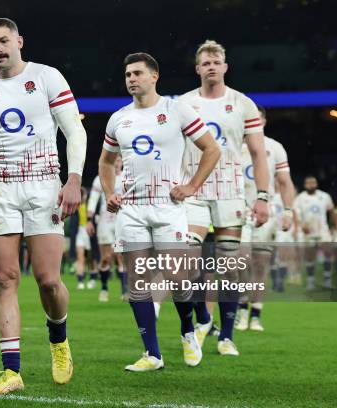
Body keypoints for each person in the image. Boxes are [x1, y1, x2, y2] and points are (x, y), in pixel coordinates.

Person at [0, 18, 86, 395]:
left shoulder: (47, 77)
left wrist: (75, 179)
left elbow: (74, 130)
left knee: (49, 281)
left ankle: (59, 340)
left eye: (3, 41)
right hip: (0, 189)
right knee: (4, 279)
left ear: (19, 41)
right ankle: (11, 371)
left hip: (44, 185)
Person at [99, 52, 219, 371]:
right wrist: (111, 193)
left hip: (169, 206)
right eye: (127, 75)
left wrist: (192, 186)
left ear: (155, 76)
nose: (131, 79)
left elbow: (212, 148)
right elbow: (106, 162)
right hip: (132, 210)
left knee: (178, 278)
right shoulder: (118, 118)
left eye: (137, 73)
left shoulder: (176, 109)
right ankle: (152, 354)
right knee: (137, 283)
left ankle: (188, 330)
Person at [179, 40, 270, 356]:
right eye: (206, 62)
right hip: (194, 190)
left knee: (229, 268)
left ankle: (226, 336)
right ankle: (204, 319)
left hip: (230, 191)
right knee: (189, 262)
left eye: (217, 61)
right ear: (198, 69)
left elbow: (258, 153)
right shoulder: (184, 103)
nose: (212, 66)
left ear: (225, 67)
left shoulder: (243, 103)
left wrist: (262, 197)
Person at [237, 106, 296, 331]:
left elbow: (284, 181)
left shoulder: (274, 147)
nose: (253, 123)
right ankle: (242, 310)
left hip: (266, 212)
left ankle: (255, 314)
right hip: (239, 212)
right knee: (241, 261)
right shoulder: (234, 147)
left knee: (260, 266)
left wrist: (288, 211)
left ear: (264, 121)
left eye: (257, 119)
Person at [87, 157, 127, 301]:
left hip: (122, 220)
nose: (116, 164)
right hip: (104, 221)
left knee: (122, 257)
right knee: (106, 258)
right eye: (114, 160)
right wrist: (89, 220)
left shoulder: (126, 177)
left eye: (119, 160)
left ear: (122, 162)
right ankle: (104, 288)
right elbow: (93, 199)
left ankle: (125, 291)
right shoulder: (100, 178)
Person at [293, 175, 337, 289]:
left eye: (313, 182)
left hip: (323, 231)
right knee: (310, 257)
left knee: (328, 255)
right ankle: (310, 282)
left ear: (316, 184)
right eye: (308, 183)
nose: (311, 184)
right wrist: (300, 226)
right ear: (305, 185)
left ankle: (327, 281)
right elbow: (295, 215)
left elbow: (332, 211)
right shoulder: (300, 198)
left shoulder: (324, 196)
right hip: (308, 232)